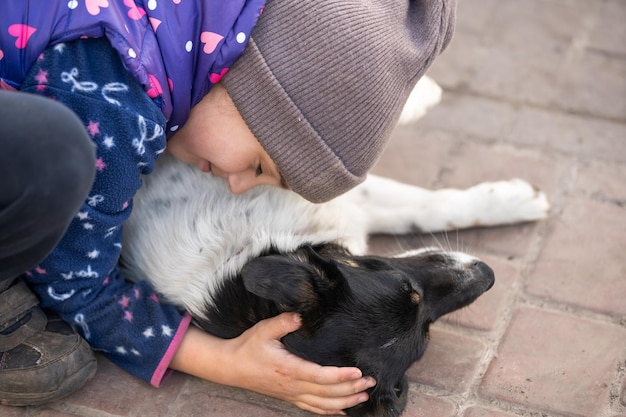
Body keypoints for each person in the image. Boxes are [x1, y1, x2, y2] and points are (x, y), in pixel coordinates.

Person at [0, 0, 456, 414]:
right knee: (55, 157)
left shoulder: (196, 24)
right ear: (249, 86)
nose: (238, 186)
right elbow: (77, 285)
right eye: (259, 166)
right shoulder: (116, 110)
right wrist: (223, 362)